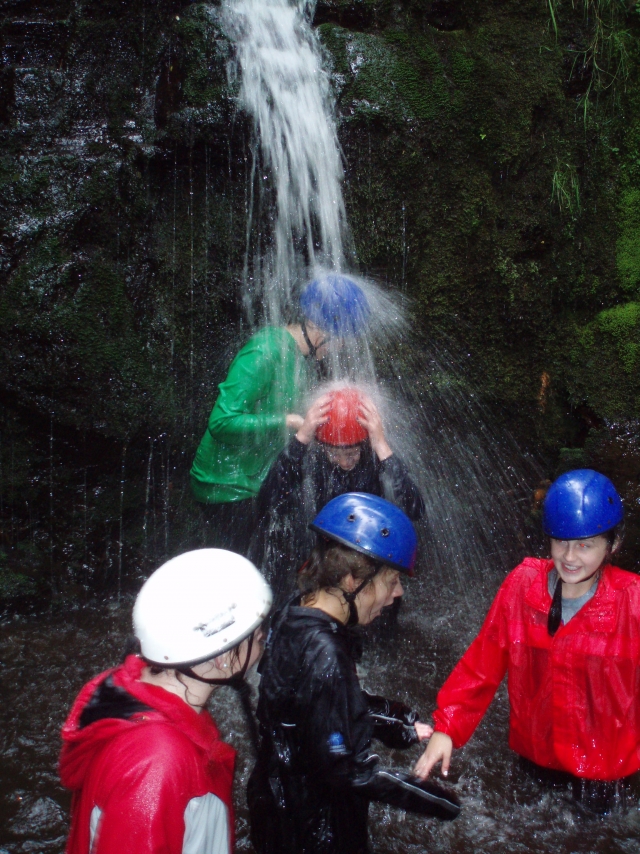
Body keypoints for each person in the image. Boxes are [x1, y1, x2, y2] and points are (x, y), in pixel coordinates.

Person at [415, 469, 640, 813]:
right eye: (561, 541)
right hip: (536, 755)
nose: (569, 557)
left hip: (602, 768)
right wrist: (447, 727)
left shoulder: (632, 601)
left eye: (585, 545)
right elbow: (482, 663)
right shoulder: (523, 586)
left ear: (613, 545)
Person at [248, 492, 460, 854]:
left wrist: (398, 722)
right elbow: (351, 770)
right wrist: (436, 800)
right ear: (352, 580)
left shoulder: (294, 612)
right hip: (314, 829)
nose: (397, 593)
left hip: (277, 801)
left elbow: (313, 707)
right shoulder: (326, 654)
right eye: (392, 581)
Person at [59, 549, 272, 854]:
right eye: (256, 631)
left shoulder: (137, 697)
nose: (264, 633)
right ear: (224, 656)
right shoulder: (157, 764)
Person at [190, 275, 370, 552]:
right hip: (225, 485)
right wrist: (289, 421)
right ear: (321, 329)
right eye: (343, 339)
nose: (343, 347)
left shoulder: (304, 362)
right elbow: (222, 422)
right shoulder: (264, 351)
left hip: (261, 478)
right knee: (241, 571)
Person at [251, 386, 425, 601]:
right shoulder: (313, 456)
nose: (344, 462)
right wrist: (302, 438)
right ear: (322, 446)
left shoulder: (374, 457)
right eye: (334, 454)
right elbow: (266, 502)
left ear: (366, 444)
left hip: (370, 553)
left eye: (352, 454)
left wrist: (382, 446)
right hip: (326, 555)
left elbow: (416, 509)